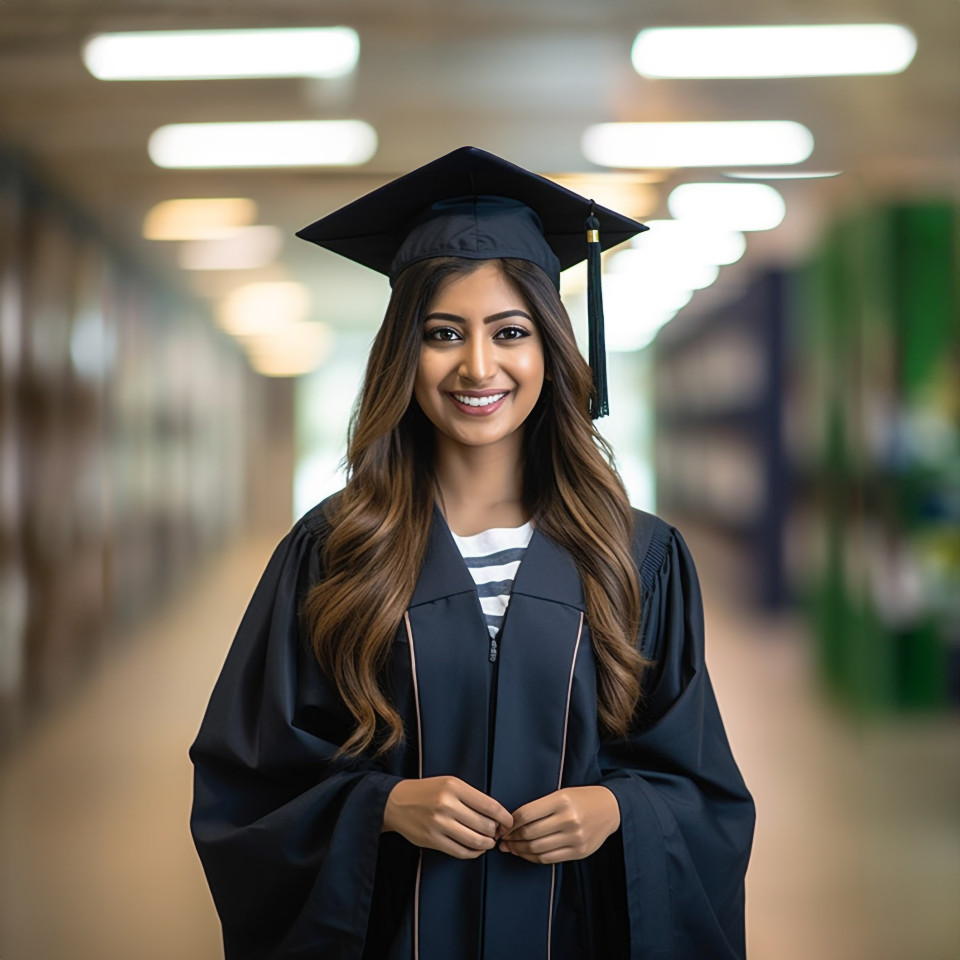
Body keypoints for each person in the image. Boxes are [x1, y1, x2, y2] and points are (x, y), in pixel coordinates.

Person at [189, 146, 755, 960]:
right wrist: (378, 807)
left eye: (511, 332)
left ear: (551, 349)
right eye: (443, 333)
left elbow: (701, 786)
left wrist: (621, 811)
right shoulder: (334, 549)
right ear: (402, 355)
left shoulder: (640, 555)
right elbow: (248, 785)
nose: (478, 366)